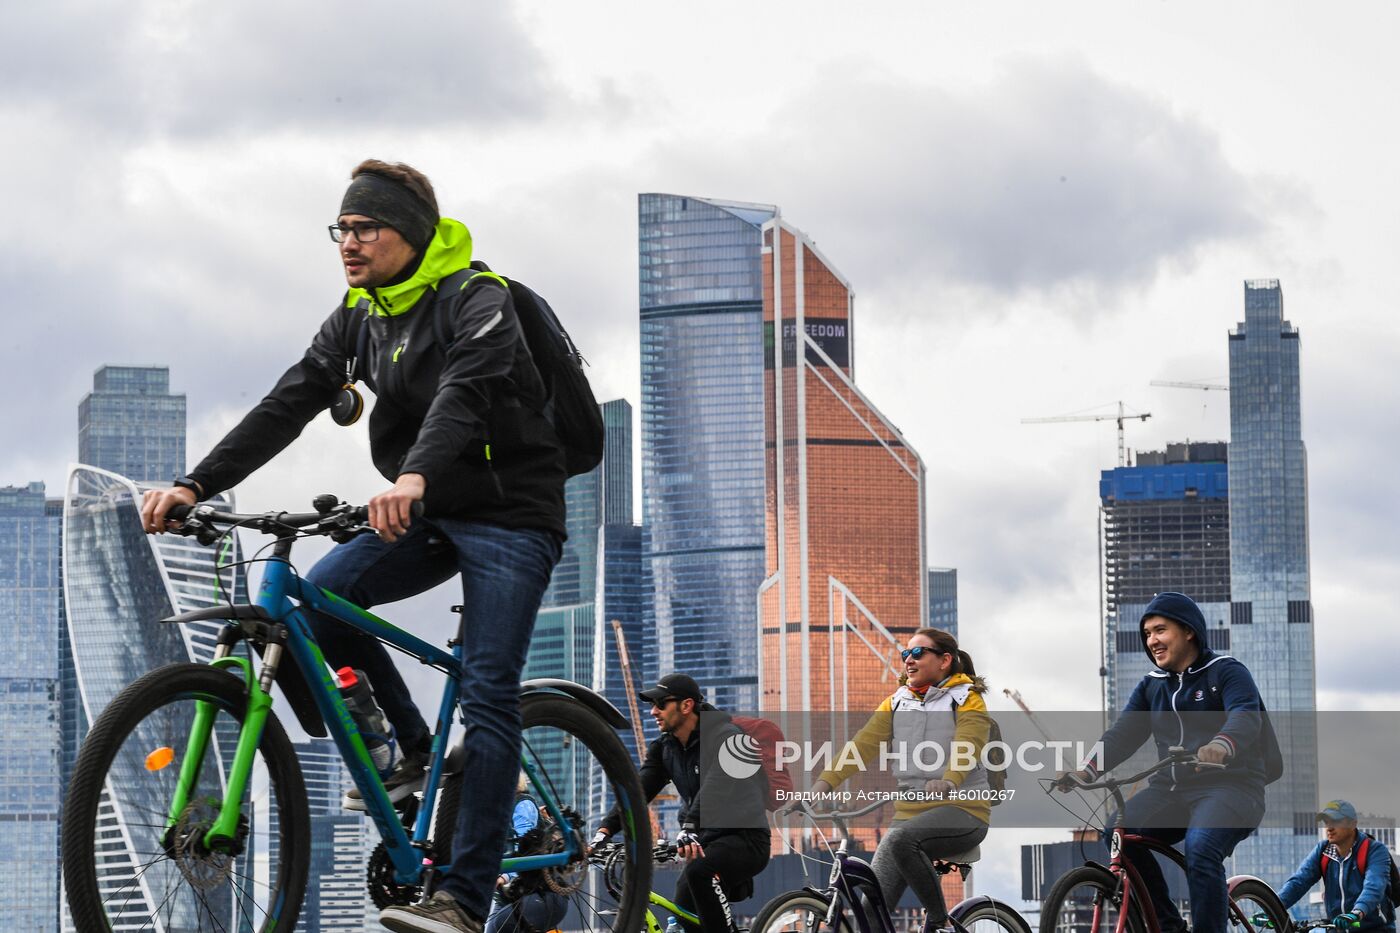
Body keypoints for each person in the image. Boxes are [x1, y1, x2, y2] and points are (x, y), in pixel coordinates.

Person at [140, 160, 567, 933]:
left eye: (365, 226)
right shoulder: (359, 316)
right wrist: (195, 484)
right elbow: (289, 401)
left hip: (511, 512)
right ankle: (408, 746)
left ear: (410, 230)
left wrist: (411, 477)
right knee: (322, 603)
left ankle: (464, 901)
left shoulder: (478, 299)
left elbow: (465, 398)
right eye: (341, 227)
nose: (348, 241)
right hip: (428, 505)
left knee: (489, 692)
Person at [1059, 591, 1278, 933]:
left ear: (1189, 630)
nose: (1152, 641)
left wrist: (1222, 744)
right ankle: (1167, 925)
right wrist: (1085, 770)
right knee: (1117, 833)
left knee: (1201, 847)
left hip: (1232, 787)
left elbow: (1245, 716)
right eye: (1147, 634)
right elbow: (1122, 735)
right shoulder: (1152, 686)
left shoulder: (1226, 671)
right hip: (1172, 789)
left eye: (1160, 630)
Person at [803, 628, 992, 933]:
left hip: (963, 810)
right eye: (906, 654)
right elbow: (862, 745)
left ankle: (939, 922)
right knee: (872, 908)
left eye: (918, 653)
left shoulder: (965, 699)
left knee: (902, 839)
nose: (908, 660)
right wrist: (823, 784)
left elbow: (968, 744)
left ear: (944, 660)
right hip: (911, 813)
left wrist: (950, 780)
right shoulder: (897, 702)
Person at [593, 673, 770, 933]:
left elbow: (718, 784)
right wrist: (604, 831)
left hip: (745, 839)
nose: (653, 711)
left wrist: (689, 826)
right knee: (684, 914)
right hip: (703, 842)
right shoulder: (666, 747)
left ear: (686, 706)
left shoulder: (727, 737)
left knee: (699, 873)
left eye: (661, 703)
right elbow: (637, 791)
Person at [1276, 800, 1396, 932]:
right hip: (1338, 928)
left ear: (1353, 824)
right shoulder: (1322, 851)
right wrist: (1274, 907)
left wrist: (1356, 913)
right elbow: (1299, 882)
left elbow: (1374, 886)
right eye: (1327, 822)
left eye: (1336, 821)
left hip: (1374, 929)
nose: (1329, 827)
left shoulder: (1374, 850)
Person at [485, 774, 569, 933]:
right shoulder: (495, 814)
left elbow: (524, 851)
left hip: (542, 893)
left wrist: (505, 877)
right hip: (509, 897)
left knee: (498, 927)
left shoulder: (522, 804)